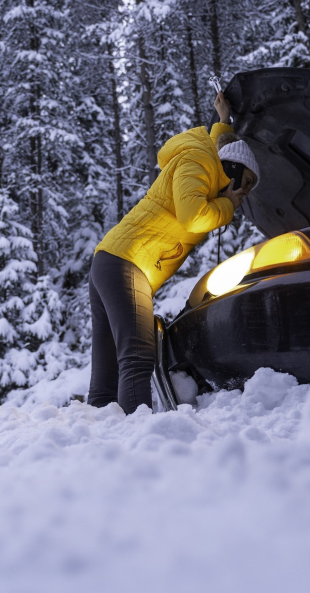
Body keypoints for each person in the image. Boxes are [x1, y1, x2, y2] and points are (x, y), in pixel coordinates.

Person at [88, 91, 260, 413]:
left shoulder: (207, 162)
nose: (245, 192)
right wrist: (226, 205)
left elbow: (221, 148)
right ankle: (138, 447)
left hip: (110, 262)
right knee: (138, 358)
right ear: (233, 170)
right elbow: (192, 215)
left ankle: (97, 444)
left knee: (107, 377)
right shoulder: (199, 161)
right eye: (246, 182)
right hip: (127, 262)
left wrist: (223, 120)